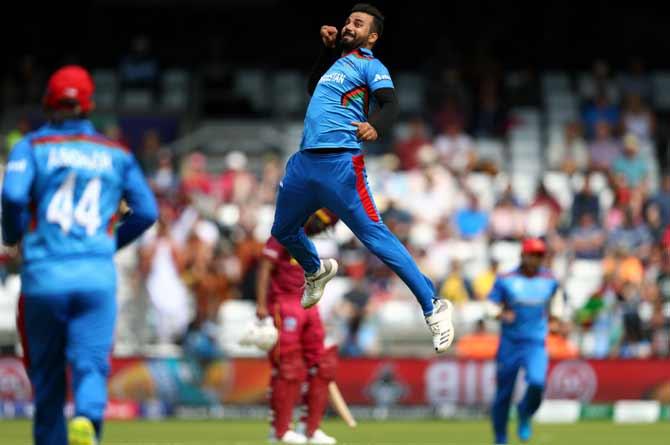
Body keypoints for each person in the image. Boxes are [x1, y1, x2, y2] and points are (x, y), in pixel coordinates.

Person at [269, 3, 454, 353]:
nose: (349, 26)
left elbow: (391, 104)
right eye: (348, 21)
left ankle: (433, 305)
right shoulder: (336, 64)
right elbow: (314, 89)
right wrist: (325, 51)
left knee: (375, 236)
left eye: (358, 24)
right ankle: (316, 270)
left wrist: (376, 126)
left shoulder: (372, 66)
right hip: (304, 162)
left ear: (372, 36)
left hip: (340, 164)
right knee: (282, 231)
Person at [1, 65, 158, 445]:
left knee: (48, 376)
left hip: (44, 276)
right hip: (95, 277)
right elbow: (148, 212)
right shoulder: (114, 153)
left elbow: (12, 196)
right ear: (88, 104)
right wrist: (108, 244)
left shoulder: (32, 147)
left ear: (49, 103)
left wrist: (14, 236)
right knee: (91, 366)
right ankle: (86, 418)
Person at [257, 209, 340, 444]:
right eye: (322, 221)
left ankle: (310, 429)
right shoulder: (284, 231)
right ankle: (280, 431)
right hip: (284, 303)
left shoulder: (309, 241)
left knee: (322, 364)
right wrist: (262, 304)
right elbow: (265, 266)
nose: (323, 228)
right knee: (289, 367)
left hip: (308, 303)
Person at [487, 238, 565, 445]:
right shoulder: (506, 279)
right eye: (533, 255)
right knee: (504, 395)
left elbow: (556, 301)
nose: (537, 260)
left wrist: (557, 318)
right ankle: (500, 438)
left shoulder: (549, 279)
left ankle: (524, 412)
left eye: (540, 255)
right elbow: (491, 305)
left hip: (535, 343)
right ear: (523, 255)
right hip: (510, 344)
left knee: (537, 383)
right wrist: (502, 314)